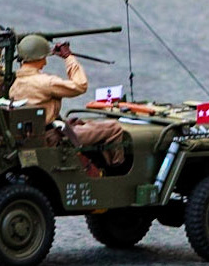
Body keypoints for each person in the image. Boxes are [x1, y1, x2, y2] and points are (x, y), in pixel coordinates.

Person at [9, 34, 127, 168]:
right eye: (45, 57)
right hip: (52, 137)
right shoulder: (45, 82)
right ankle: (117, 168)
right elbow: (80, 85)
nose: (46, 62)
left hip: (36, 136)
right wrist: (68, 57)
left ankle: (98, 166)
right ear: (40, 58)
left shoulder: (15, 85)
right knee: (114, 128)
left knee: (84, 125)